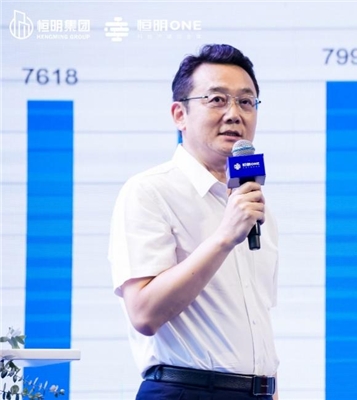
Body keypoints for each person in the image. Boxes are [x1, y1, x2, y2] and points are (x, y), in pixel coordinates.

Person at [108, 44, 279, 400]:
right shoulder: (149, 191)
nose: (234, 114)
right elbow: (144, 314)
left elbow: (256, 325)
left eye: (246, 102)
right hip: (185, 390)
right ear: (179, 114)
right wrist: (224, 237)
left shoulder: (252, 204)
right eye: (217, 100)